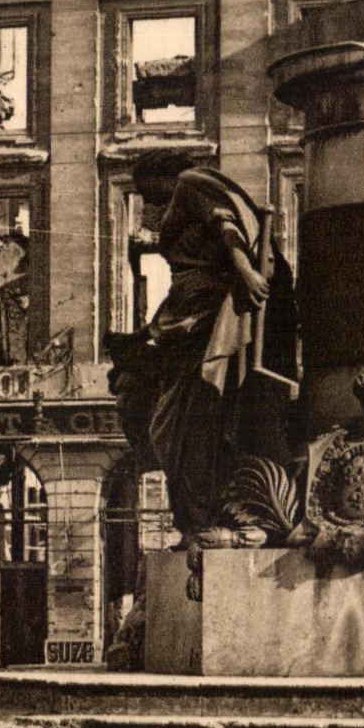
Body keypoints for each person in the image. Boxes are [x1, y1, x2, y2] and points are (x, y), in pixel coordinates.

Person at [105, 152, 298, 541]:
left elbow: (227, 226)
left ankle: (204, 515)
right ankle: (195, 517)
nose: (147, 202)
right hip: (188, 315)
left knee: (193, 420)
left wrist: (245, 271)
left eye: (147, 191)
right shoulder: (178, 206)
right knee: (169, 425)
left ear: (164, 176)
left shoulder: (192, 182)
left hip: (211, 316)